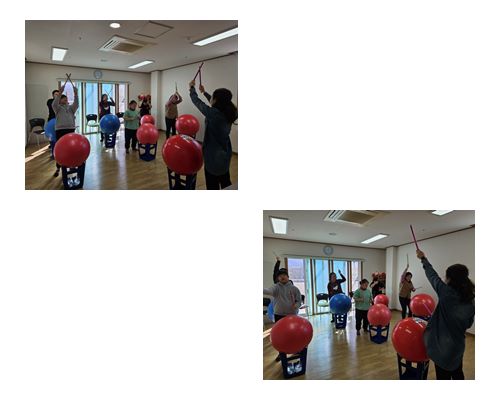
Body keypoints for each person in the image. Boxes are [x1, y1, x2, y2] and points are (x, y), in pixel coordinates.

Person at [416, 249, 475, 380]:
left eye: (446, 276)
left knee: (443, 376)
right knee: (458, 372)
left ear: (451, 279)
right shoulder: (471, 298)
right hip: (458, 346)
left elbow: (432, 275)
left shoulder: (446, 292)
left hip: (441, 347)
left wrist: (423, 258)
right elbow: (469, 324)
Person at [189, 82, 238, 190]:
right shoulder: (230, 111)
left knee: (212, 185)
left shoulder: (214, 114)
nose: (211, 98)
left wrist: (192, 88)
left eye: (213, 97)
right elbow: (217, 102)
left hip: (213, 157)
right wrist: (204, 92)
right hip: (225, 154)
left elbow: (197, 102)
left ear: (216, 100)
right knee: (225, 181)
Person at [263, 268, 302, 361]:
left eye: (284, 275)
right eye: (280, 276)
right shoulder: (276, 287)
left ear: (288, 277)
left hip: (291, 315)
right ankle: (281, 353)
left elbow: (299, 301)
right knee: (281, 336)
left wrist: (296, 305)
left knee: (293, 334)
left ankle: (296, 349)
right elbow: (268, 291)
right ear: (278, 278)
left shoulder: (294, 288)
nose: (282, 277)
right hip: (279, 315)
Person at [51, 84, 78, 177]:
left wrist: (76, 94)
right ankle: (58, 168)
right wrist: (60, 93)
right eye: (64, 99)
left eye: (66, 99)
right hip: (60, 130)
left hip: (70, 129)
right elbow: (54, 104)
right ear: (60, 100)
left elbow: (76, 104)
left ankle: (71, 166)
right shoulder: (57, 108)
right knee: (60, 150)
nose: (66, 100)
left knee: (71, 148)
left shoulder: (70, 108)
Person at [47, 89, 59, 159]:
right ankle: (53, 154)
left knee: (58, 137)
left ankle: (57, 152)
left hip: (59, 121)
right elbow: (52, 105)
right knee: (52, 138)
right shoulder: (50, 101)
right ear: (53, 95)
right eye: (56, 94)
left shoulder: (60, 102)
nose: (57, 96)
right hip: (51, 121)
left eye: (58, 94)